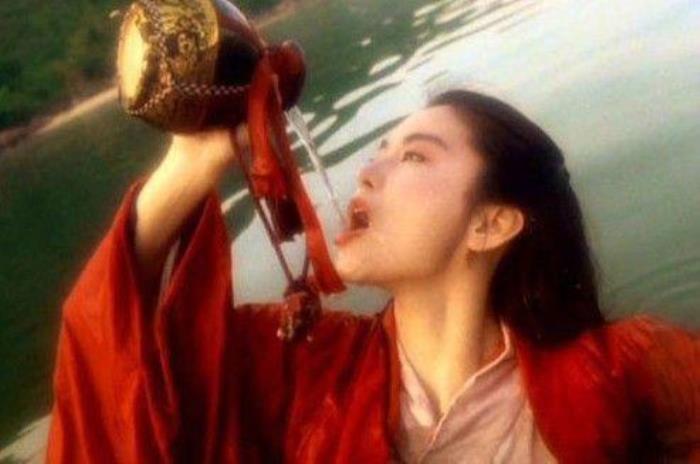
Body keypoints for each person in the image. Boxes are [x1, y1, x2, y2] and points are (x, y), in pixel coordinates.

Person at [46, 90, 699, 463]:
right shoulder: (298, 366)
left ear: (492, 224)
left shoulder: (623, 369)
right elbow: (116, 374)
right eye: (380, 150)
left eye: (414, 156)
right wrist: (191, 165)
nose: (366, 171)